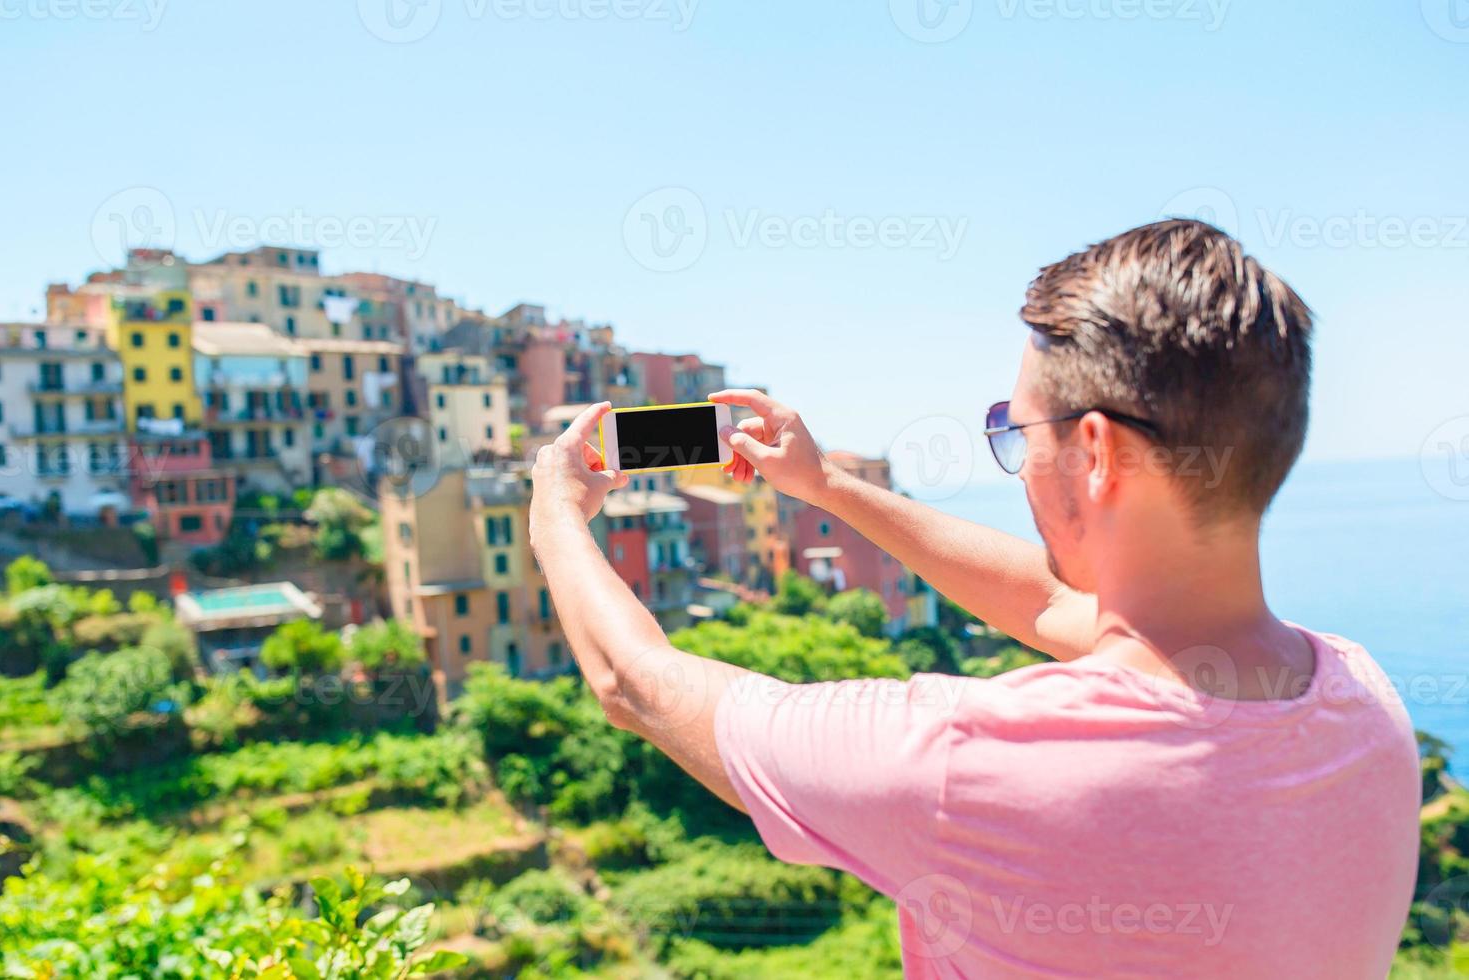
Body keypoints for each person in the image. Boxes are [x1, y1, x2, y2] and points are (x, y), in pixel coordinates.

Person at [528, 219, 1420, 978]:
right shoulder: (1366, 704)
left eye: (1017, 430)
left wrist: (556, 511)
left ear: (1097, 454)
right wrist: (829, 487)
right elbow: (1049, 606)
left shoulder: (972, 760)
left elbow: (633, 682)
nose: (1016, 458)